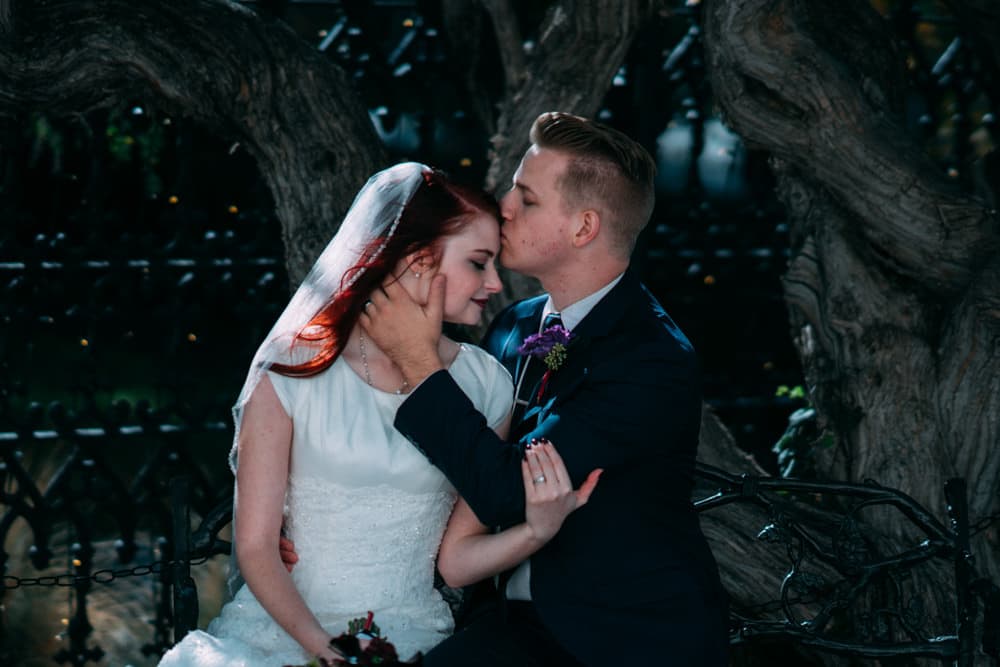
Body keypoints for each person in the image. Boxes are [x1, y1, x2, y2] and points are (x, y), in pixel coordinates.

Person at [158, 162, 598, 667]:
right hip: (282, 633)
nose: (496, 283)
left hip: (413, 638)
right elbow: (256, 547)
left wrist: (537, 531)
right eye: (479, 262)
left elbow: (455, 563)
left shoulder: (486, 384)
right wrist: (328, 652)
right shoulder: (294, 369)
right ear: (416, 260)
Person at [359, 113, 729, 665]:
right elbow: (465, 457)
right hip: (512, 622)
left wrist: (417, 359)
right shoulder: (516, 324)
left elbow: (509, 490)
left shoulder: (650, 360)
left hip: (619, 637)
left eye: (526, 198)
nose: (503, 206)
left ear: (583, 228)